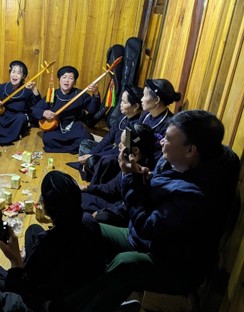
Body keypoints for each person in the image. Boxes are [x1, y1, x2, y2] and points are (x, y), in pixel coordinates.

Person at [61, 110, 240, 311]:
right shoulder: (188, 160)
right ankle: (70, 296)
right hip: (151, 241)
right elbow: (161, 191)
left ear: (190, 150)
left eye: (168, 139)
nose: (161, 142)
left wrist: (129, 179)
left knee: (125, 264)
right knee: (86, 226)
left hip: (175, 264)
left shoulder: (197, 194)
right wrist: (142, 176)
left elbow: (147, 227)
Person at [22, 171, 105, 311]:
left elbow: (26, 279)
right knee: (33, 230)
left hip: (59, 297)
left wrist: (20, 260)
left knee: (32, 233)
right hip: (86, 285)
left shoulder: (47, 241)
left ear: (47, 208)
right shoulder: (89, 221)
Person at [81, 124, 156, 227]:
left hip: (121, 214)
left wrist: (102, 213)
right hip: (113, 203)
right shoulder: (129, 164)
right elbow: (111, 188)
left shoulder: (144, 174)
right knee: (75, 194)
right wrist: (87, 188)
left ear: (135, 151)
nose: (119, 145)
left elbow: (127, 208)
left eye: (123, 143)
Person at [76, 84, 143, 182]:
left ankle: (91, 169)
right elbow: (107, 139)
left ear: (136, 106)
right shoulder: (122, 118)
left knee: (93, 160)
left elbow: (122, 152)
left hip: (118, 157)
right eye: (121, 101)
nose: (120, 104)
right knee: (85, 144)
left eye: (124, 102)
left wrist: (93, 156)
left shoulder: (136, 126)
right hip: (110, 149)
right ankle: (89, 166)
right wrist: (92, 153)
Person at [33, 65, 100, 153]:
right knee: (48, 139)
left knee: (85, 138)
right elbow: (36, 109)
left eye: (70, 78)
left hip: (74, 125)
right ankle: (73, 148)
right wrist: (44, 112)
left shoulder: (81, 94)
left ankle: (66, 148)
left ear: (75, 82)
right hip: (57, 126)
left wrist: (95, 94)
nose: (66, 80)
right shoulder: (52, 94)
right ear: (59, 80)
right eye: (64, 77)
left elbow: (92, 110)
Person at [0, 60, 41, 145]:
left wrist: (34, 90)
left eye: (18, 73)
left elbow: (38, 105)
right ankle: (14, 135)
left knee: (21, 118)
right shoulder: (2, 87)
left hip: (16, 119)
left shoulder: (27, 91)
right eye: (13, 72)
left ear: (23, 76)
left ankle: (1, 135)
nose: (15, 75)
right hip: (3, 117)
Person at [139, 78, 178, 160]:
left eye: (145, 95)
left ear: (157, 100)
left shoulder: (169, 125)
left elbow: (161, 155)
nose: (141, 99)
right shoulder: (145, 115)